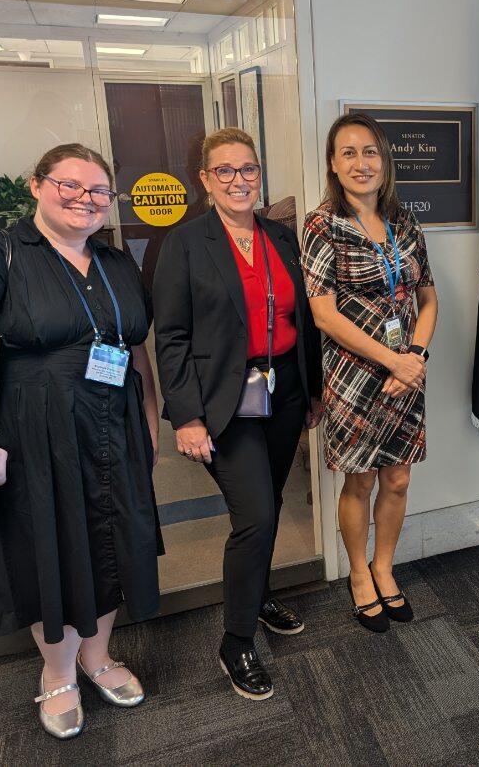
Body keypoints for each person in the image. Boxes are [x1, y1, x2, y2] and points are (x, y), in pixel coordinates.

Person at [0, 144, 161, 739]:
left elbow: (134, 350)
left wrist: (150, 424)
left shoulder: (115, 261)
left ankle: (98, 656)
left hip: (116, 426)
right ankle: (57, 673)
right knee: (47, 546)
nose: (86, 198)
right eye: (70, 185)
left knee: (110, 539)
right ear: (36, 186)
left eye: (99, 190)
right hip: (34, 433)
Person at [153, 128, 323, 701]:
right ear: (204, 180)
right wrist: (187, 418)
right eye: (224, 171)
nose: (238, 180)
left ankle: (260, 590)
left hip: (284, 393)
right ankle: (236, 639)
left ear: (259, 174)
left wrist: (314, 389)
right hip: (224, 402)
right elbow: (171, 337)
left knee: (269, 503)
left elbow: (307, 321)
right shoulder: (183, 243)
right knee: (253, 514)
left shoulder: (280, 235)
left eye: (247, 169)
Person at [301, 113, 438, 632]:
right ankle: (359, 573)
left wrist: (416, 357)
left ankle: (385, 567)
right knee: (359, 481)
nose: (362, 163)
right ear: (334, 165)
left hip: (409, 373)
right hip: (354, 376)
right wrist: (393, 360)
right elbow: (324, 313)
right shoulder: (320, 225)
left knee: (398, 479)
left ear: (385, 161)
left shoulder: (405, 223)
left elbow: (429, 300)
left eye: (370, 152)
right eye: (349, 153)